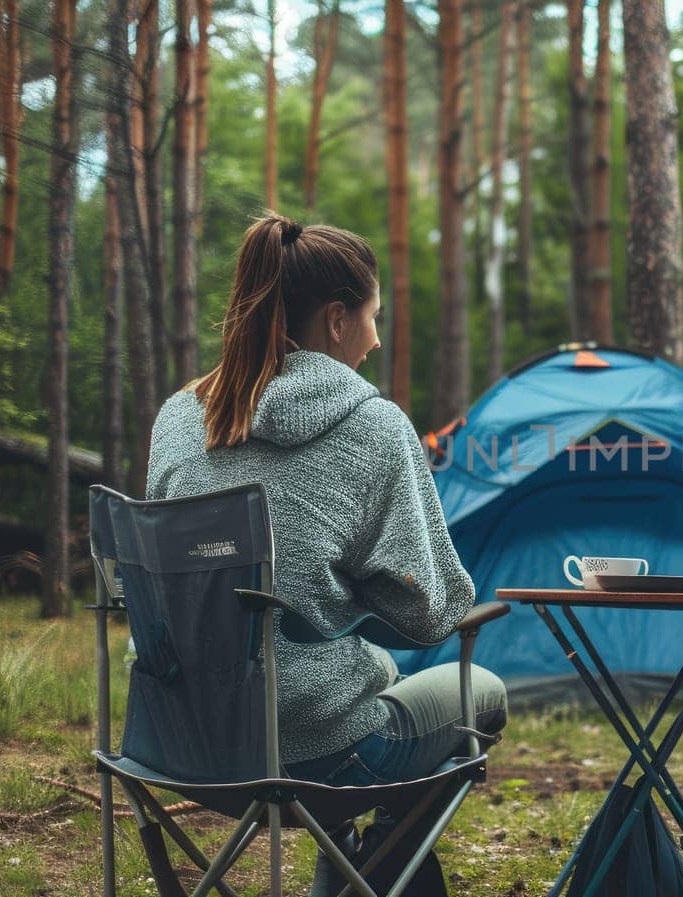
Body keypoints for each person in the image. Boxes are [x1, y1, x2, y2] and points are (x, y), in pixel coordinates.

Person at [146, 214, 506, 892]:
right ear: (337, 319)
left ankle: (338, 874)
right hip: (313, 755)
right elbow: (436, 612)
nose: (375, 338)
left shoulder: (177, 416)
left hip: (178, 737)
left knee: (367, 671)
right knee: (480, 694)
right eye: (375, 317)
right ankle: (374, 879)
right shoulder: (372, 426)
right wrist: (357, 593)